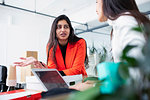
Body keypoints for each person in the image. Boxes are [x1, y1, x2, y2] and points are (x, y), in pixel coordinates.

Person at [70, 0, 150, 91]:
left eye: (97, 1)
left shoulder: (125, 21)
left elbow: (137, 74)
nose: (96, 7)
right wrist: (100, 83)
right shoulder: (120, 23)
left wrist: (94, 87)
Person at [14, 15, 88, 77]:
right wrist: (39, 63)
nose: (63, 30)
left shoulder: (80, 43)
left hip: (79, 81)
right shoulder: (51, 46)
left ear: (70, 30)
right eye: (59, 27)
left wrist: (56, 74)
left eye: (66, 27)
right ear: (54, 30)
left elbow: (77, 69)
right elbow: (52, 68)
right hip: (61, 82)